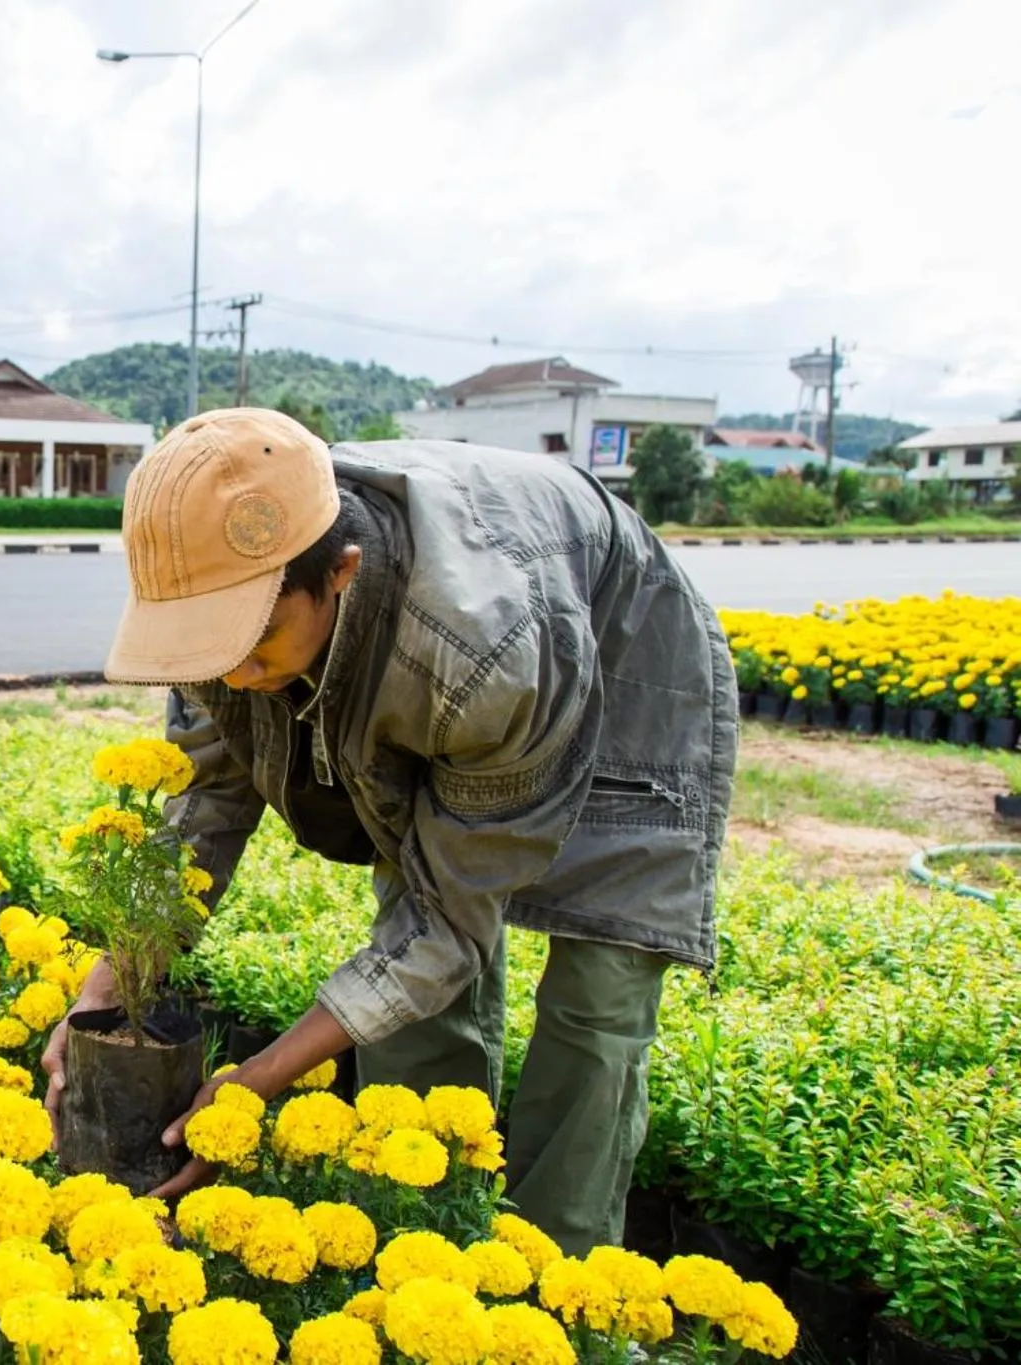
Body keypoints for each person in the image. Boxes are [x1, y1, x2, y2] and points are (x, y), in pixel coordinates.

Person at [40, 408, 737, 1254]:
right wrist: (109, 981)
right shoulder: (222, 606)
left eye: (254, 640)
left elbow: (451, 912)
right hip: (452, 659)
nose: (230, 670)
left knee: (595, 1004)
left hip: (625, 660)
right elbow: (199, 812)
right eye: (206, 642)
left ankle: (560, 1284)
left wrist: (262, 1077)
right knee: (406, 1009)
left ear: (341, 571)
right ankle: (423, 1246)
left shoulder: (482, 645)